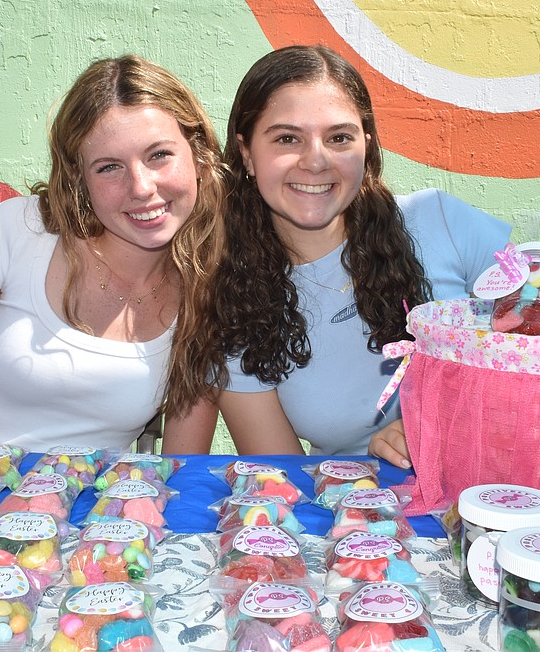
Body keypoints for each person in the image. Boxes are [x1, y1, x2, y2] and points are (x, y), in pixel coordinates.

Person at [176, 45, 510, 467]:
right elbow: (290, 483)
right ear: (246, 154)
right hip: (364, 523)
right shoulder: (234, 304)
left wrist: (440, 418)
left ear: (365, 147)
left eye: (338, 138)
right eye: (287, 138)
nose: (316, 160)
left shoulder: (441, 221)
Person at [0, 55, 225, 453]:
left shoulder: (210, 286)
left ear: (199, 156)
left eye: (159, 155)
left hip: (100, 506)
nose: (141, 187)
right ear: (79, 179)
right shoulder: (18, 231)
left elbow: (179, 471)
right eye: (109, 167)